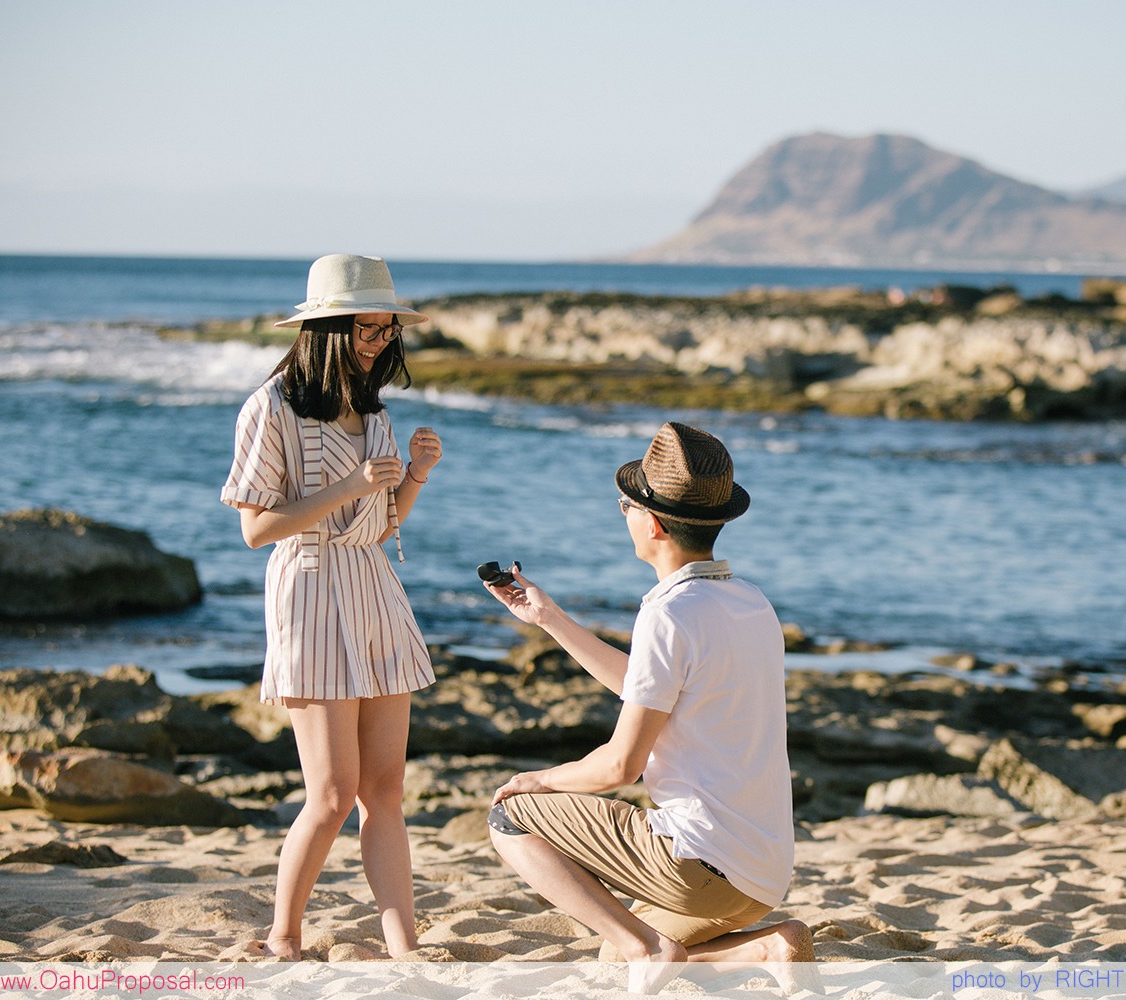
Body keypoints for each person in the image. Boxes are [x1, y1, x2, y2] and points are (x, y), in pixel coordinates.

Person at [482, 422, 817, 994]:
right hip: (762, 873)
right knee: (612, 958)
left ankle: (648, 947)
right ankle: (768, 944)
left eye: (626, 506)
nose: (624, 515)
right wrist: (551, 620)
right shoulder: (749, 602)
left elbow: (621, 767)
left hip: (702, 866)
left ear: (653, 523)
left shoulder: (669, 614)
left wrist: (539, 779)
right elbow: (652, 687)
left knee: (509, 817)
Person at [221, 254, 441, 960]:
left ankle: (403, 946)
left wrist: (414, 477)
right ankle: (284, 935)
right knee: (333, 794)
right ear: (326, 329)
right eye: (366, 329)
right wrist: (349, 485)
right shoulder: (271, 406)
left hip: (374, 586)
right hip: (310, 588)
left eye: (385, 331)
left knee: (386, 789)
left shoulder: (373, 410)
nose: (379, 342)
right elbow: (256, 529)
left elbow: (380, 525)